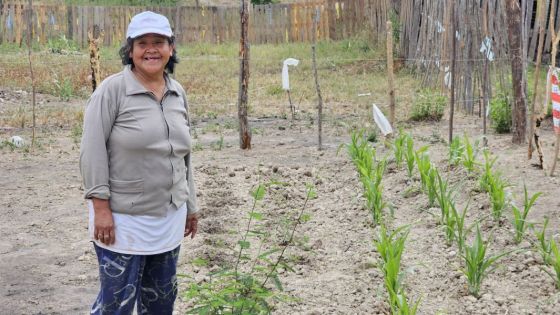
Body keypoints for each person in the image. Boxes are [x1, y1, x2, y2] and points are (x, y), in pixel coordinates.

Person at [79, 11, 199, 315]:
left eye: (158, 42)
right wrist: (101, 208)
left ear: (171, 48)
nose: (151, 49)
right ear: (130, 51)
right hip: (122, 222)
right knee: (115, 306)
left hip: (168, 218)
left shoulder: (177, 92)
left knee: (160, 302)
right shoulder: (112, 91)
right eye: (142, 43)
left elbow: (183, 155)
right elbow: (91, 151)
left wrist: (190, 205)